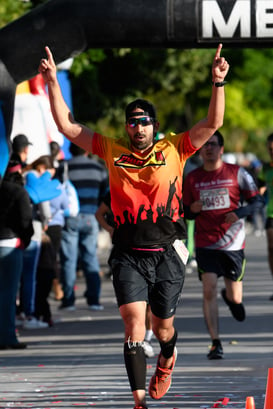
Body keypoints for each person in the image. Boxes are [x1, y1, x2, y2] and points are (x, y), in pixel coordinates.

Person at [39, 43, 229, 409]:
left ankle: (168, 355)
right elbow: (67, 125)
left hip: (167, 254)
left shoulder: (176, 148)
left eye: (144, 121)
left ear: (154, 126)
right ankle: (139, 401)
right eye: (132, 121)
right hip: (128, 253)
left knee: (162, 330)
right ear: (127, 127)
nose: (138, 127)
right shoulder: (111, 150)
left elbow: (213, 124)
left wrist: (217, 82)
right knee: (133, 326)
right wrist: (51, 80)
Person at [183, 131, 264, 360]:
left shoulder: (237, 173)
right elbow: (185, 211)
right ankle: (215, 342)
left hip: (232, 243)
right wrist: (192, 210)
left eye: (213, 144)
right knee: (207, 289)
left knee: (235, 297)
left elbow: (257, 201)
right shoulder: (192, 178)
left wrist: (238, 213)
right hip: (205, 241)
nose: (208, 148)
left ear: (221, 148)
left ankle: (231, 300)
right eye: (205, 145)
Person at [58, 143, 109, 311]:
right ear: (87, 150)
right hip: (91, 216)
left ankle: (69, 300)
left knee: (69, 259)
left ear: (71, 150)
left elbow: (57, 191)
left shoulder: (64, 167)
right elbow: (106, 195)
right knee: (90, 257)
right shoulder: (99, 168)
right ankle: (94, 300)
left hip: (70, 217)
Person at [0, 159, 34, 349]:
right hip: (10, 244)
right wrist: (25, 241)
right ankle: (7, 337)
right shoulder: (18, 192)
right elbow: (25, 221)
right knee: (8, 293)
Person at [257, 133, 273, 300]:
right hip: (271, 213)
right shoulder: (266, 168)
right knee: (271, 249)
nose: (272, 152)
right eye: (270, 149)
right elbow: (260, 185)